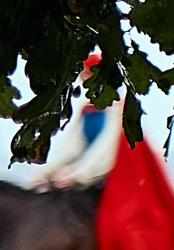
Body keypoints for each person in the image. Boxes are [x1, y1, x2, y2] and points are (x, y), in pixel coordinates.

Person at [31, 53, 123, 189]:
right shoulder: (88, 109)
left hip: (111, 175)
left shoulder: (119, 109)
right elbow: (74, 146)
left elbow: (106, 148)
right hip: (86, 171)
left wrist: (79, 174)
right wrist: (48, 172)